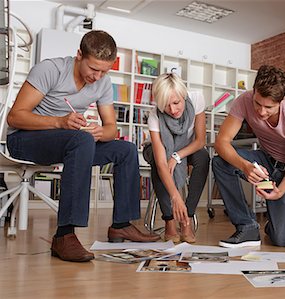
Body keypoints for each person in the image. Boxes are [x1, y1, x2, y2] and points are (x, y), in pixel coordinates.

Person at [6, 30, 159, 263]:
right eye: (93, 69)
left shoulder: (103, 82)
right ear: (79, 55)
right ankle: (64, 235)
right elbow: (15, 117)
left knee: (125, 150)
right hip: (25, 139)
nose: (97, 77)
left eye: (104, 71)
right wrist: (59, 121)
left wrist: (101, 132)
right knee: (81, 140)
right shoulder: (50, 70)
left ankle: (121, 225)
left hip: (69, 142)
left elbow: (110, 128)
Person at [212, 65, 285, 248]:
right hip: (264, 162)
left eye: (269, 107)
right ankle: (247, 226)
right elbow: (221, 142)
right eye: (258, 103)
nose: (261, 111)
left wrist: (280, 191)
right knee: (220, 162)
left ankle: (272, 224)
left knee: (281, 240)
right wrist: (245, 166)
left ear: (281, 101)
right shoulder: (244, 101)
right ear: (254, 90)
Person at [143, 73, 209, 244]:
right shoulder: (154, 116)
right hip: (157, 148)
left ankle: (187, 218)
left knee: (203, 157)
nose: (172, 110)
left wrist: (177, 156)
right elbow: (161, 162)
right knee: (159, 163)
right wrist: (176, 197)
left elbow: (200, 141)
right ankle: (169, 221)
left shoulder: (196, 100)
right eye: (166, 105)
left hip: (187, 147)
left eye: (176, 103)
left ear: (184, 95)